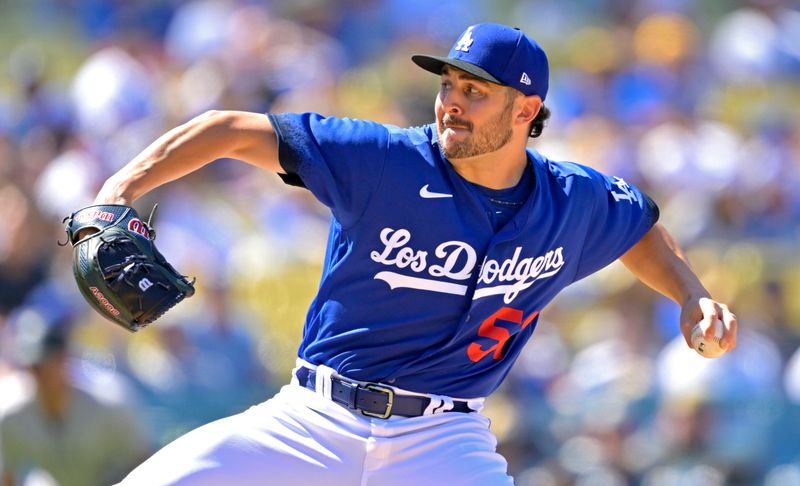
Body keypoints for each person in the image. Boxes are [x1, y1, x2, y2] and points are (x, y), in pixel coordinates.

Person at [88, 23, 738, 485]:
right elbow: (228, 130)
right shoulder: (385, 161)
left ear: (526, 109)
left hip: (442, 444)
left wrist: (691, 294)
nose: (452, 100)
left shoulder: (571, 201)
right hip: (311, 421)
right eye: (448, 84)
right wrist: (120, 190)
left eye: (475, 91)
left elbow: (638, 225)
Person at [0, 314, 149, 486]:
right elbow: (8, 475)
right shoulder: (11, 414)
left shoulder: (109, 401)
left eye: (47, 363)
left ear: (63, 359)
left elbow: (144, 459)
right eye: (34, 367)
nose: (41, 375)